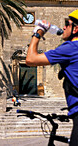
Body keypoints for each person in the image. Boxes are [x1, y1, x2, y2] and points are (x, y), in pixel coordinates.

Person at [26, 9, 78, 146]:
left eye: (68, 24)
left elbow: (30, 59)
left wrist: (38, 32)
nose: (64, 27)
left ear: (76, 29)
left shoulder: (71, 48)